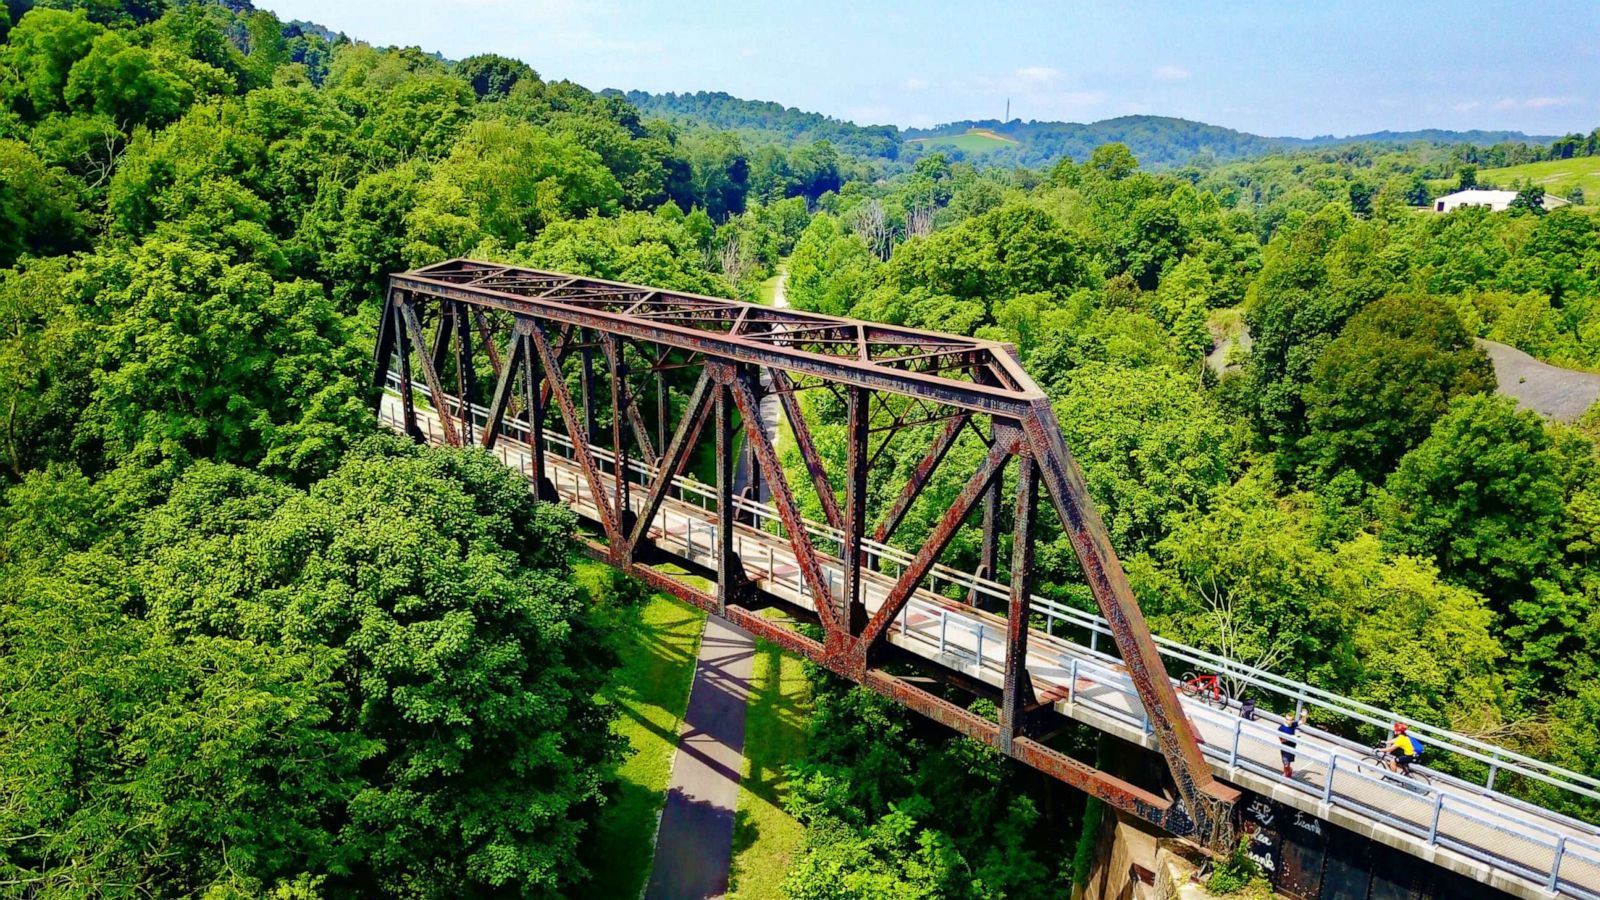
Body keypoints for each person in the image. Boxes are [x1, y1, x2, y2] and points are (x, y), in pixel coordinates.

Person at [1278, 708, 1307, 778]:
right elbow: (1282, 740)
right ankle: (1288, 772)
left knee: (1289, 762)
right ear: (1285, 719)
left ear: (1292, 720)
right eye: (1287, 719)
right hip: (1285, 747)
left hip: (1292, 746)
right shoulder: (1281, 728)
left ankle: (1288, 773)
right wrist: (1292, 736)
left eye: (1290, 720)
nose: (1289, 721)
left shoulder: (1293, 725)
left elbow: (1302, 722)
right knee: (1286, 763)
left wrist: (1304, 716)